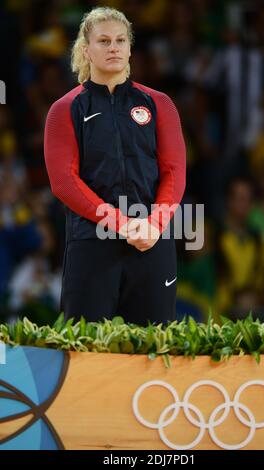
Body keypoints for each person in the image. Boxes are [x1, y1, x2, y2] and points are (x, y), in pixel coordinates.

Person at [44, 7, 186, 326]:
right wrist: (120, 223)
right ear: (86, 50)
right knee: (86, 353)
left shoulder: (158, 103)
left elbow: (174, 171)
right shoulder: (64, 109)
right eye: (104, 41)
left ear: (130, 48)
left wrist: (155, 223)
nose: (114, 48)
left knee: (155, 351)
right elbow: (64, 182)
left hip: (151, 240)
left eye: (121, 40)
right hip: (92, 243)